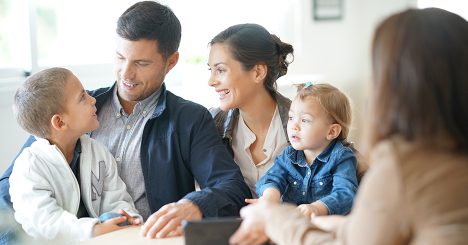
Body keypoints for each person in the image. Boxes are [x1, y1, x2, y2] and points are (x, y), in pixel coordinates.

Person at [0, 1, 251, 241]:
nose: (126, 73)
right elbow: (9, 190)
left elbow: (231, 186)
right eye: (121, 57)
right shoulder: (74, 110)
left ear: (171, 62)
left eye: (141, 63)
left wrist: (194, 205)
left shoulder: (190, 119)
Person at [229, 7, 468, 245]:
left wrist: (273, 217)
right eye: (292, 118)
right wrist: (341, 227)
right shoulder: (449, 164)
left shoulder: (402, 170)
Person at [9, 67, 142, 242]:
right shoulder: (29, 167)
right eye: (82, 98)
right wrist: (94, 230)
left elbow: (117, 199)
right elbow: (44, 222)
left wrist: (126, 216)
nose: (93, 100)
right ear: (60, 122)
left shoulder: (98, 153)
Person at [208, 23, 294, 197]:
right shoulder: (213, 123)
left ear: (258, 72)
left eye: (221, 70)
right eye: (211, 70)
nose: (211, 81)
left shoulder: (303, 119)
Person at [255, 83, 357, 218]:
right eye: (291, 118)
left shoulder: (341, 157)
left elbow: (346, 194)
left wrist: (317, 208)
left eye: (305, 120)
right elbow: (273, 178)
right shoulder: (289, 155)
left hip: (325, 223)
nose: (293, 126)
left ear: (331, 131)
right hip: (293, 221)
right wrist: (270, 196)